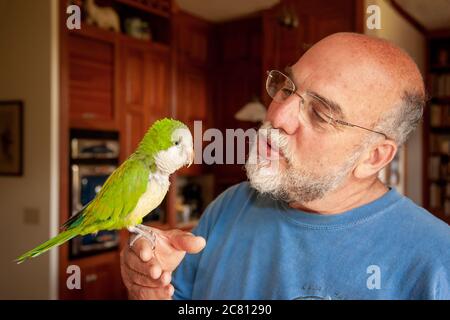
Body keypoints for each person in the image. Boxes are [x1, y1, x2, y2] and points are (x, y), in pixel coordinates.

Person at [120, 32, 450, 300]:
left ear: (374, 156)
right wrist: (148, 291)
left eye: (320, 114)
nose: (277, 116)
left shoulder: (437, 263)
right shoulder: (228, 207)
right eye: (285, 87)